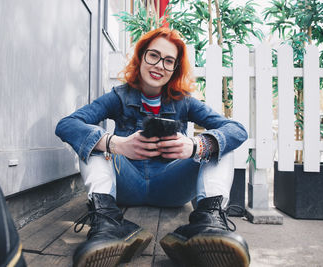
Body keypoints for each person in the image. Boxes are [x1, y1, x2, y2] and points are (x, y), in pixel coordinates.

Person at [56, 27, 250, 267]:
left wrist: (194, 146)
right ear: (141, 57)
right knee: (93, 142)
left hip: (172, 188)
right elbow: (67, 124)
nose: (159, 65)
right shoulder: (119, 96)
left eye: (169, 61)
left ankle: (209, 223)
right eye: (154, 56)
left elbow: (237, 130)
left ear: (175, 68)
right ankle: (106, 223)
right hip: (126, 185)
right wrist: (116, 144)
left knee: (218, 144)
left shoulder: (184, 101)